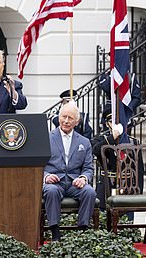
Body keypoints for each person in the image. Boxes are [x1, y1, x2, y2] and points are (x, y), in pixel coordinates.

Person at [42, 102, 96, 240]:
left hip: (74, 184)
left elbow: (88, 168)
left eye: (70, 118)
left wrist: (83, 178)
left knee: (89, 192)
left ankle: (82, 231)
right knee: (51, 191)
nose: (66, 121)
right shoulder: (46, 138)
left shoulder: (84, 142)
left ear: (77, 122)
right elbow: (37, 165)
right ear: (59, 117)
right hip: (54, 183)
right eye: (63, 117)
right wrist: (46, 176)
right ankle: (55, 232)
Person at [91, 106, 143, 213]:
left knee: (127, 222)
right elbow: (95, 150)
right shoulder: (101, 139)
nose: (116, 125)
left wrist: (139, 192)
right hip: (107, 186)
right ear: (107, 124)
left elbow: (139, 170)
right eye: (112, 121)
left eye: (119, 122)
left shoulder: (133, 142)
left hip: (127, 186)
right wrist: (112, 138)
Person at [98, 69, 142, 143]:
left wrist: (127, 109)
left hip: (125, 114)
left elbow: (137, 97)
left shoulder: (131, 77)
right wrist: (115, 78)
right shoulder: (107, 75)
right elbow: (106, 87)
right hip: (109, 114)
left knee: (124, 142)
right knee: (108, 142)